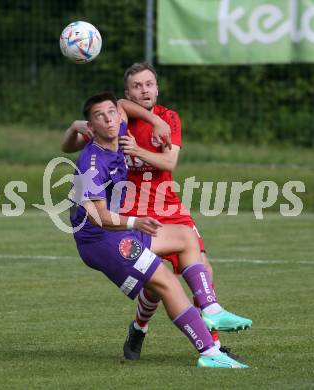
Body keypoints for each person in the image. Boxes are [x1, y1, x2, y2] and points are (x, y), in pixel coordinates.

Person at [62, 63, 246, 362]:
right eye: (137, 85)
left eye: (149, 84)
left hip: (150, 213)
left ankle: (211, 326)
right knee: (164, 283)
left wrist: (80, 125)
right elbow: (98, 216)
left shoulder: (130, 125)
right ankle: (204, 348)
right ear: (90, 127)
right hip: (108, 232)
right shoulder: (92, 162)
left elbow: (164, 158)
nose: (110, 119)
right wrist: (134, 220)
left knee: (185, 254)